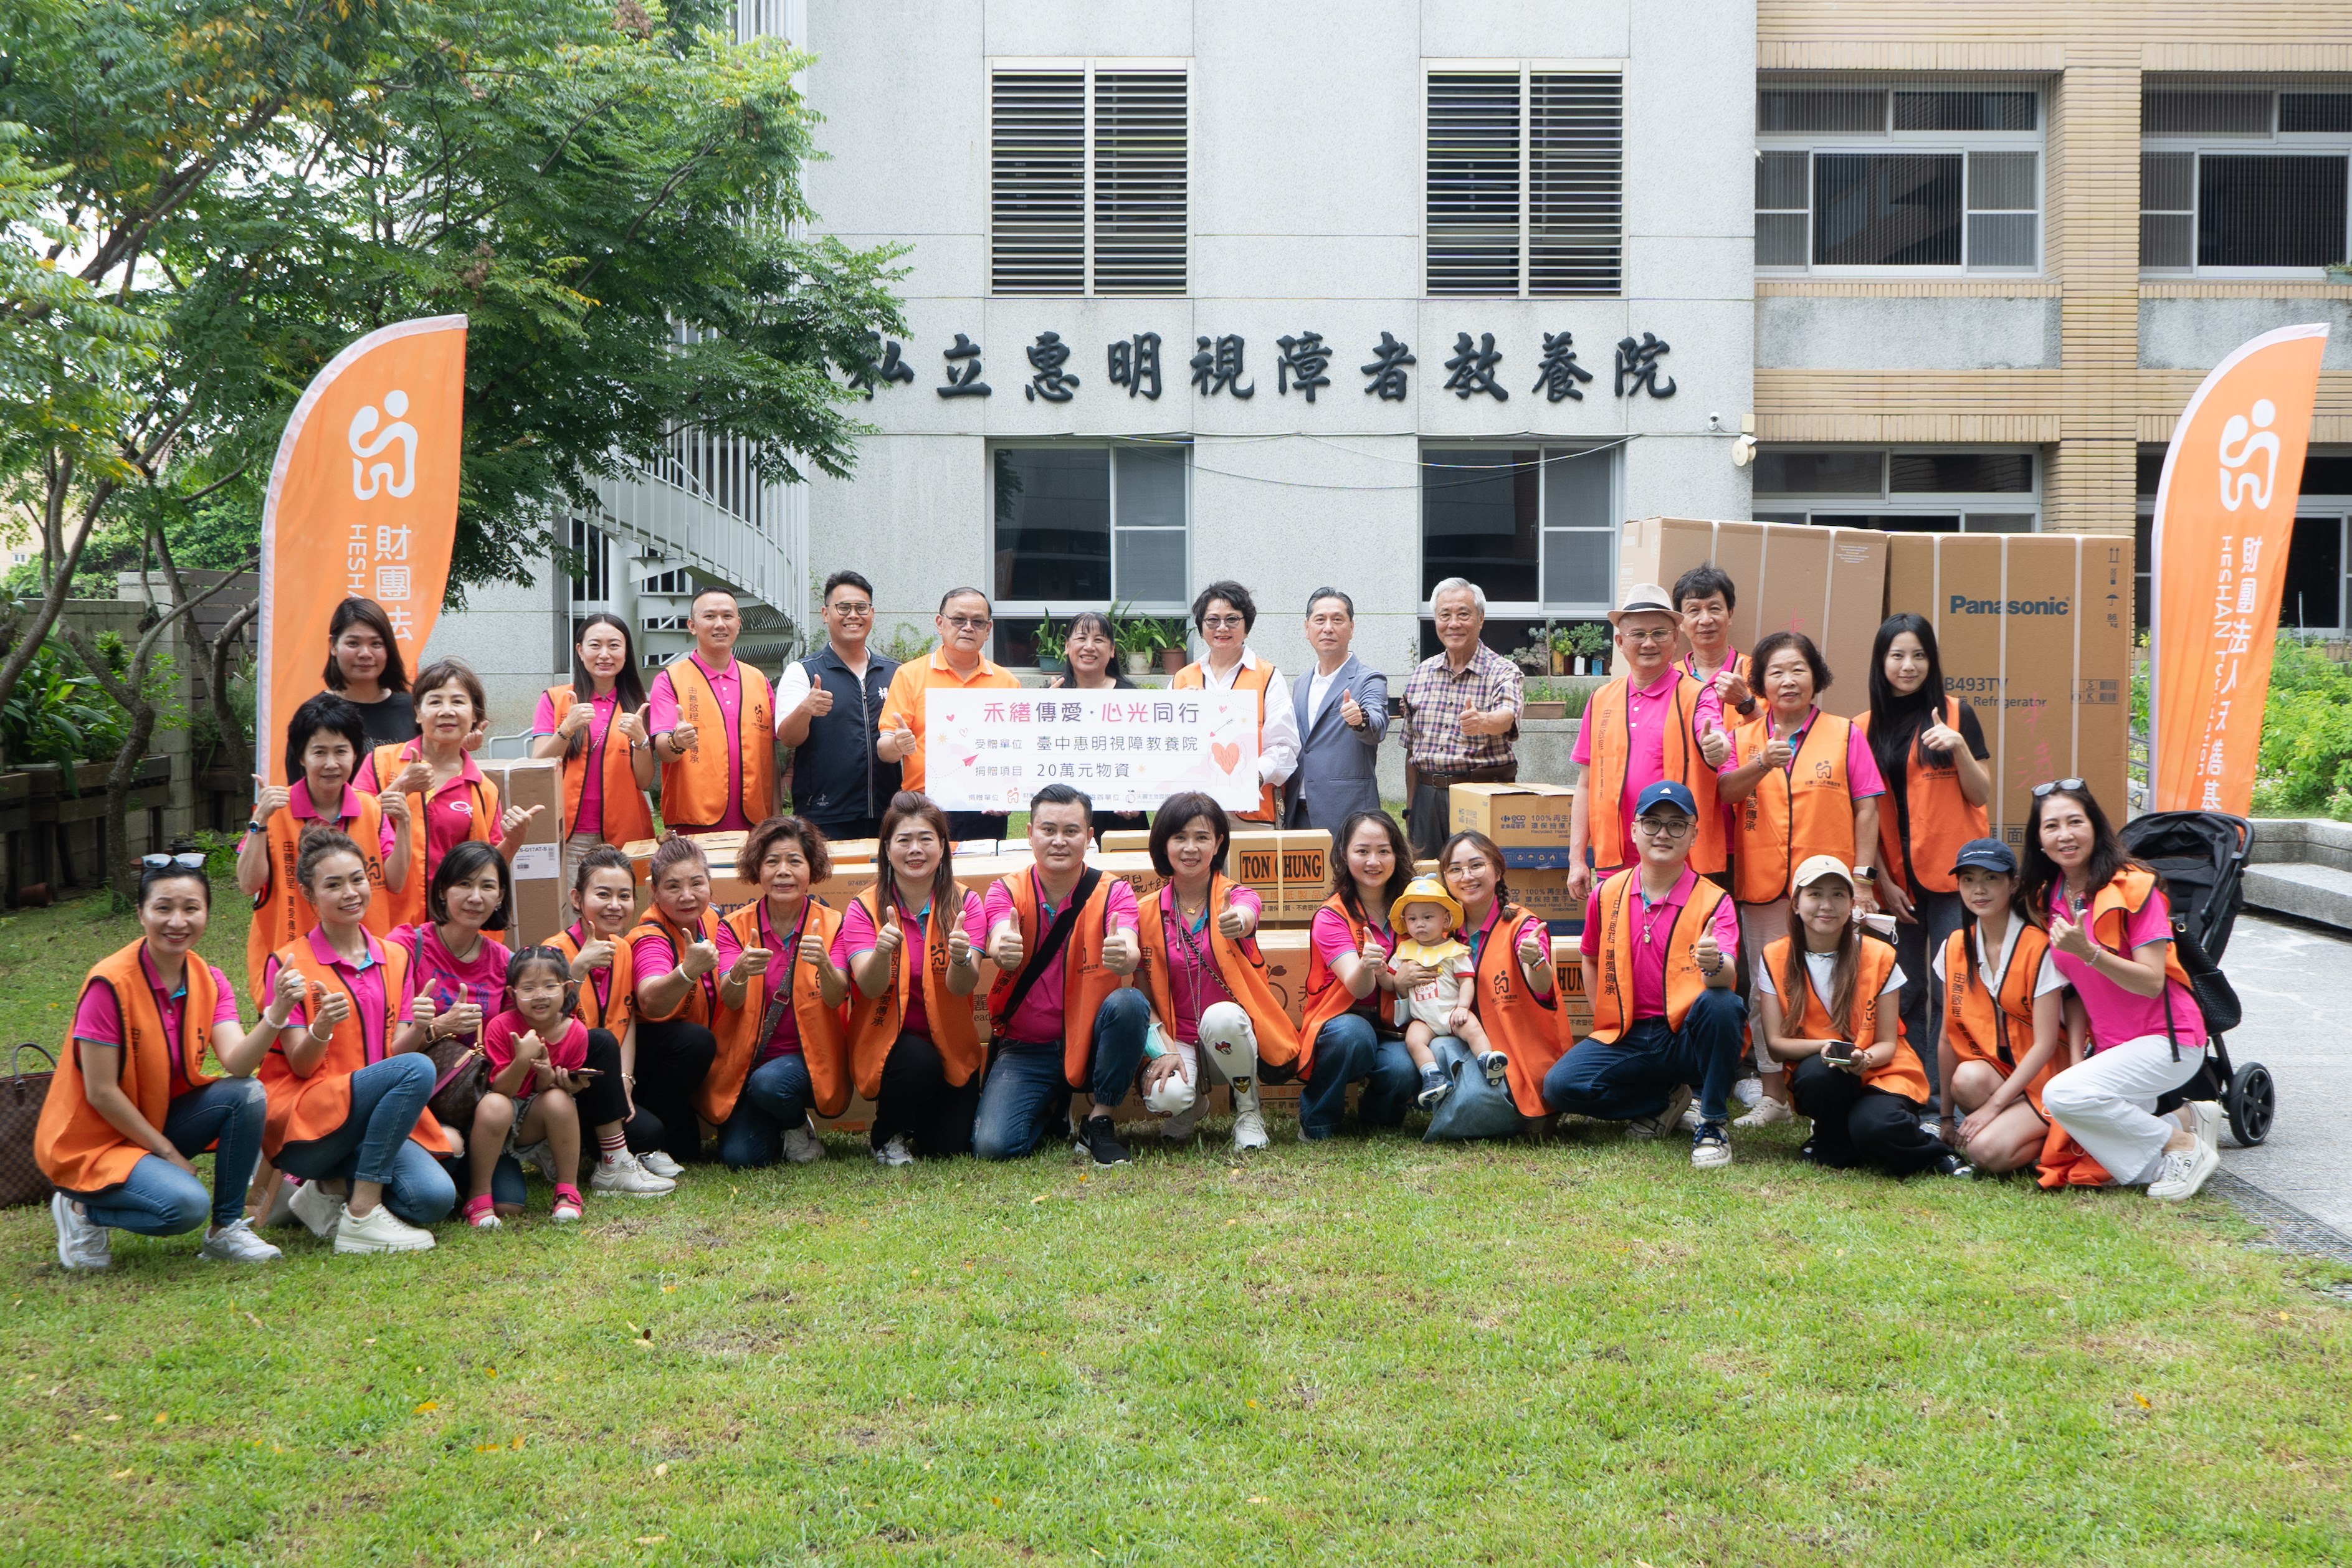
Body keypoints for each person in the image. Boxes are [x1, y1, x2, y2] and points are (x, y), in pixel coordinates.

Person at [39, 855, 292, 1270]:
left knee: (246, 1095)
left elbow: (239, 1064)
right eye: (163, 908)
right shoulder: (110, 982)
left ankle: (226, 1229)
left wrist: (276, 1013)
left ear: (207, 912)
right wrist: (168, 1152)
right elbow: (101, 1092)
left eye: (191, 908)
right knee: (184, 1206)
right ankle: (81, 1209)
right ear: (141, 913)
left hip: (154, 1119)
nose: (178, 920)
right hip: (94, 1138)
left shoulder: (209, 979)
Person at [257, 831, 456, 1254]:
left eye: (357, 879)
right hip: (308, 1123)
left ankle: (326, 1189)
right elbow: (300, 1064)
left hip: (368, 1119)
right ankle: (362, 1214)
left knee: (434, 1198)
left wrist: (421, 1028)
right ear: (309, 893)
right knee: (420, 1069)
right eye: (333, 884)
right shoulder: (288, 962)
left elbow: (392, 1061)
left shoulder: (395, 956)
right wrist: (321, 1028)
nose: (350, 892)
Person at [1715, 631, 1885, 1125]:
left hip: (1831, 887)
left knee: (1839, 984)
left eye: (1798, 670)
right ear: (1760, 682)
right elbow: (1725, 791)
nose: (1787, 681)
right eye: (1775, 672)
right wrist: (1759, 763)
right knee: (1767, 987)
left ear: (1817, 678)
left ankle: (1835, 1086)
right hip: (1765, 886)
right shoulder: (1744, 734)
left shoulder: (1844, 732)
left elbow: (1867, 807)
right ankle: (1773, 1096)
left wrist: (1863, 879)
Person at [2024, 781, 2221, 1201]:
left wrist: (2089, 952)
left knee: (2063, 1095)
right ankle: (2187, 1119)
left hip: (2169, 1040)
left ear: (2095, 827)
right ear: (2038, 841)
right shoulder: (2049, 897)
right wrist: (2077, 1057)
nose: (2064, 835)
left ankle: (2184, 1148)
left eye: (2075, 821)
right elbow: (2073, 992)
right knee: (2084, 1124)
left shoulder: (2135, 887)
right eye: (2051, 826)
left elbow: (2151, 980)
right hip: (2115, 1047)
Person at [1545, 782, 1746, 1169]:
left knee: (1722, 1005)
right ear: (1634, 830)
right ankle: (1665, 1100)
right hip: (1629, 1034)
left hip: (1684, 1035)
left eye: (1676, 825)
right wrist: (1604, 1015)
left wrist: (1714, 964)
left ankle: (1713, 1121)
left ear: (1694, 834)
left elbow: (1727, 978)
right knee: (1561, 1087)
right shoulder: (1606, 894)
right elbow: (1588, 958)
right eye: (1652, 823)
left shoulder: (1714, 900)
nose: (1663, 835)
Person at [974, 784, 1150, 1167]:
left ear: (1089, 837)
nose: (1059, 841)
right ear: (1030, 833)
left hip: (1090, 1039)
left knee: (1130, 1003)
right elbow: (998, 936)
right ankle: (1055, 1107)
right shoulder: (1006, 890)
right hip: (1027, 1046)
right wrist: (1001, 947)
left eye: (1071, 831)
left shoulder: (1114, 891)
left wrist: (1124, 954)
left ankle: (1098, 1121)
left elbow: (1129, 945)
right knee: (994, 1147)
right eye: (1048, 830)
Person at [1754, 857, 1963, 1178]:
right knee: (1817, 1073)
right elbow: (1776, 1046)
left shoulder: (1879, 955)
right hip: (1827, 1072)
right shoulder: (1775, 955)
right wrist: (1831, 1047)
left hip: (1882, 1072)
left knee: (1875, 1128)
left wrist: (1862, 1057)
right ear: (1796, 903)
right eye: (1815, 894)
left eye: (1838, 894)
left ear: (1852, 903)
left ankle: (1940, 1157)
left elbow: (1889, 1044)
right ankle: (1835, 1142)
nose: (1827, 905)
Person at [1859, 614, 1993, 1111]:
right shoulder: (1862, 727)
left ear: (1931, 661)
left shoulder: (1957, 715)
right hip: (1897, 880)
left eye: (1918, 655)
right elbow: (1864, 812)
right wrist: (1882, 881)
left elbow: (1980, 794)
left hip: (1957, 879)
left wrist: (1958, 748)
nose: (1907, 665)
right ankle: (1911, 1085)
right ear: (1880, 662)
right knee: (1906, 985)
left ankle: (1950, 1093)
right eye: (1896, 655)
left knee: (1952, 986)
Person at [1131, 791, 1301, 1151]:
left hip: (1231, 1035)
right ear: (1164, 844)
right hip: (1178, 1037)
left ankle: (1248, 1111)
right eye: (1180, 837)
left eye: (1202, 837)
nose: (1190, 848)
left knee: (1221, 1017)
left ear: (1218, 843)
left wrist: (1239, 921)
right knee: (1166, 1098)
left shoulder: (1236, 896)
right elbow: (1142, 991)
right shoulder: (1145, 911)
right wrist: (1159, 1047)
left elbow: (1248, 910)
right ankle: (1192, 1105)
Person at [839, 792, 988, 1165]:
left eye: (926, 839)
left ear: (943, 846)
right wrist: (881, 952)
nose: (915, 850)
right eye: (903, 840)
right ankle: (887, 1134)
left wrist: (959, 958)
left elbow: (963, 986)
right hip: (892, 1046)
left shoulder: (966, 903)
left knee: (948, 1148)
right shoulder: (863, 907)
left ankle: (918, 1121)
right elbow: (869, 987)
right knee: (918, 1060)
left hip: (951, 1044)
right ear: (887, 849)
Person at [1566, 582, 1731, 907]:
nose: (1648, 643)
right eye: (1638, 634)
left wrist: (1717, 747)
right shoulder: (1601, 699)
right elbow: (1585, 785)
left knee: (1679, 949)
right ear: (1619, 641)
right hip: (1616, 858)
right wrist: (1576, 859)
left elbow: (1715, 737)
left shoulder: (1698, 694)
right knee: (1619, 949)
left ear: (1675, 638)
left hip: (1683, 860)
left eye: (1659, 633)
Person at [703, 816, 852, 1170]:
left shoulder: (834, 924)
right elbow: (731, 999)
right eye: (772, 862)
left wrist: (826, 966)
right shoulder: (733, 928)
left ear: (811, 869)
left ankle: (794, 1122)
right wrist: (739, 971)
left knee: (771, 1083)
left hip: (806, 1062)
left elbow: (837, 997)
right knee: (742, 1158)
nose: (783, 872)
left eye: (794, 861)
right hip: (747, 1062)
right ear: (757, 869)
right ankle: (787, 1124)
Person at [239, 692, 408, 998]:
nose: (331, 764)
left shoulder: (371, 809)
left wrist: (405, 825)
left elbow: (394, 883)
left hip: (363, 962)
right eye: (319, 752)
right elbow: (249, 884)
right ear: (301, 756)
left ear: (356, 755)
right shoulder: (275, 809)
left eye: (341, 751)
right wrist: (260, 820)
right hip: (291, 966)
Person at [355, 659, 540, 930]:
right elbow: (351, 827)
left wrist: (514, 840)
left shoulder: (484, 788)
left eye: (458, 702)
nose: (446, 711)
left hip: (453, 933)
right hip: (387, 927)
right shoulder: (380, 763)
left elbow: (488, 866)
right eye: (435, 702)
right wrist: (401, 788)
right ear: (418, 712)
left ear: (475, 715)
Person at [1933, 839, 2066, 1177]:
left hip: (2048, 1079)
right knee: (1966, 1079)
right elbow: (1948, 1038)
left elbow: (2046, 1044)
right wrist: (1946, 1118)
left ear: (2014, 883)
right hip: (2000, 1074)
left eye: (1990, 878)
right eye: (1968, 879)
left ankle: (2056, 1133)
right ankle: (2020, 1128)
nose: (1979, 889)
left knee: (1982, 1151)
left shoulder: (2039, 947)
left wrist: (1992, 1108)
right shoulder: (1954, 947)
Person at [547, 847, 675, 1194]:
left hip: (604, 1077)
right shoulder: (555, 952)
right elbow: (544, 1023)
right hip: (562, 1080)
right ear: (577, 898)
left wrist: (626, 1080)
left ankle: (624, 1150)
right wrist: (576, 970)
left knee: (651, 1131)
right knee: (598, 1039)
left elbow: (628, 1015)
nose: (615, 905)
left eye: (624, 896)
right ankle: (611, 1162)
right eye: (602, 894)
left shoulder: (623, 948)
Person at [1422, 830, 1564, 1137]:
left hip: (1519, 1055)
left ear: (1498, 871)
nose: (1467, 877)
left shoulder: (1522, 926)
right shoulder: (1444, 932)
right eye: (1455, 869)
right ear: (1445, 878)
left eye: (1477, 865)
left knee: (1474, 1102)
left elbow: (1541, 986)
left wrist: (1535, 959)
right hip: (1474, 1043)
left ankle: (1525, 1110)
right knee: (1436, 1045)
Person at [1295, 811, 1421, 1141]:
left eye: (1383, 851)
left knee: (1403, 1069)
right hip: (1342, 1020)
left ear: (1397, 854)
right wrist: (1367, 965)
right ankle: (1318, 1120)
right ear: (1344, 856)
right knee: (1353, 1035)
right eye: (1362, 851)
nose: (1373, 861)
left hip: (1395, 1023)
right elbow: (1356, 984)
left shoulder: (1415, 907)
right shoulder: (1332, 915)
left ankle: (1378, 1119)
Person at [464, 947, 606, 1228]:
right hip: (495, 1122)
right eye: (528, 988)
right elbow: (502, 1091)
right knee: (497, 1106)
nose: (540, 996)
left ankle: (568, 1190)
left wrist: (552, 1078)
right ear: (512, 993)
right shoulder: (502, 1026)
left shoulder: (576, 1031)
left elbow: (549, 1089)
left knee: (559, 1099)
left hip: (533, 1121)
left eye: (550, 986)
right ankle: (478, 1196)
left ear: (566, 988)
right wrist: (522, 1060)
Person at [877, 587, 1021, 842]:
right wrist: (897, 745)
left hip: (986, 807)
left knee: (982, 878)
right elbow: (885, 750)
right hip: (924, 809)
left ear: (988, 630)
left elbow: (1016, 750)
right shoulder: (910, 675)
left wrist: (1007, 792)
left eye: (978, 622)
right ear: (940, 623)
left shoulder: (1006, 682)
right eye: (959, 619)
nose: (968, 627)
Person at [626, 836, 731, 1175]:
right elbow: (650, 1000)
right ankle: (643, 1141)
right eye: (673, 886)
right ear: (655, 891)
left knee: (689, 1150)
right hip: (647, 1062)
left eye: (696, 883)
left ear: (709, 885)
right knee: (695, 1041)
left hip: (687, 1065)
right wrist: (688, 971)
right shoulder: (651, 936)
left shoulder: (712, 920)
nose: (687, 896)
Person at [1399, 577, 1524, 857]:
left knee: (1477, 878)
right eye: (1445, 615)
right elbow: (1411, 749)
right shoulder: (1422, 673)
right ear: (1436, 620)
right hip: (1426, 798)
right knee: (1426, 882)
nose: (1454, 623)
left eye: (1463, 614)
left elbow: (1507, 715)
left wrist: (1483, 721)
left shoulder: (1503, 671)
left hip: (1479, 794)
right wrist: (1411, 807)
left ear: (1480, 619)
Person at [531, 612, 655, 885]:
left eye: (614, 645)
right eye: (595, 645)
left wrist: (641, 740)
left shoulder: (640, 704)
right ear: (580, 650)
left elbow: (644, 781)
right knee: (576, 915)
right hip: (570, 833)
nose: (604, 654)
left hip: (626, 834)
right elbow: (537, 767)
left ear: (626, 651)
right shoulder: (554, 699)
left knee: (622, 914)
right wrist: (567, 729)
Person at [778, 571, 901, 843]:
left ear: (872, 613)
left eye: (861, 608)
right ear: (825, 613)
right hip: (824, 814)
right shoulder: (803, 671)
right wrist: (805, 710)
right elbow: (788, 738)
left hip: (889, 813)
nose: (853, 615)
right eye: (843, 608)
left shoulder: (895, 673)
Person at [647, 586, 778, 834]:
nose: (720, 624)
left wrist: (776, 818)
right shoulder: (670, 679)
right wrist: (677, 741)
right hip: (693, 824)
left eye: (728, 616)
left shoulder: (757, 679)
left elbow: (768, 754)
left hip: (755, 826)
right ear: (692, 625)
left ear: (738, 624)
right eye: (709, 617)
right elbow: (665, 750)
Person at [1169, 581, 1297, 827]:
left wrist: (1255, 775)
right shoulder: (1182, 680)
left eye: (1232, 619)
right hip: (1192, 814)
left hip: (1252, 813)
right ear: (1201, 627)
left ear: (1246, 627)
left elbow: (1285, 747)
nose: (1222, 628)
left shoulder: (1268, 676)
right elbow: (1166, 743)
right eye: (1213, 620)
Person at [1284, 588, 1388, 834]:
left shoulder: (1369, 679)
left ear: (1351, 627)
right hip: (1297, 812)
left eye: (1337, 619)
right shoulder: (1301, 683)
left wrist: (1360, 719)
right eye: (1320, 620)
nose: (1328, 628)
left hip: (1347, 813)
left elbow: (1376, 725)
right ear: (1307, 628)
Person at [1043, 610, 1146, 837]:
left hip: (1121, 812)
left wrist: (1138, 795)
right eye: (1081, 638)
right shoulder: (1051, 695)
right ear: (1067, 646)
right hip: (1064, 813)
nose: (1089, 646)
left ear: (1112, 650)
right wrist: (1043, 712)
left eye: (1099, 640)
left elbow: (1147, 753)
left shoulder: (1132, 697)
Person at [1386, 876, 1483, 1104]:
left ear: (1446, 919)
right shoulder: (1404, 950)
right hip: (1424, 1019)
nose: (1420, 924)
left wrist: (1463, 1007)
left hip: (1451, 1012)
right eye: (1412, 919)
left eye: (1428, 917)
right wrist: (1382, 972)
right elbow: (1390, 984)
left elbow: (1467, 981)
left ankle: (1486, 1059)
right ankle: (1432, 1075)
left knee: (1472, 1027)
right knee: (1413, 1039)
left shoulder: (1454, 950)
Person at [323, 597, 418, 748]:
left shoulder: (415, 710)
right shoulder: (315, 714)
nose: (365, 654)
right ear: (333, 646)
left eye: (376, 644)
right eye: (353, 643)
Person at [1671, 563, 1755, 711]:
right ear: (1680, 623)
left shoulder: (1757, 672)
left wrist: (1745, 702)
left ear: (1730, 614)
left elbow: (1773, 732)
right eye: (1694, 610)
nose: (1706, 620)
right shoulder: (1670, 677)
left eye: (1714, 609)